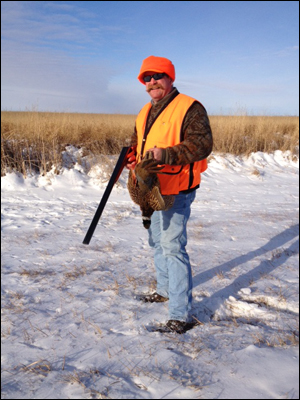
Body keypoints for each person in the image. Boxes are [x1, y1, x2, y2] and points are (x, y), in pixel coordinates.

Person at [126, 55, 213, 334]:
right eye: (146, 78)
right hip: (149, 188)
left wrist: (166, 154)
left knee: (173, 246)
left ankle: (180, 315)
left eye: (157, 76)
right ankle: (164, 290)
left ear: (170, 77)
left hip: (177, 188)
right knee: (155, 241)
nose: (152, 82)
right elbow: (137, 142)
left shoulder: (190, 107)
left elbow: (202, 144)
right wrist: (131, 157)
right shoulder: (144, 111)